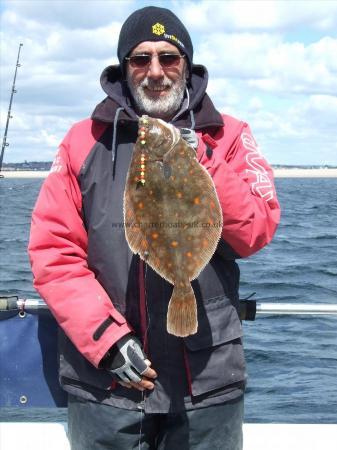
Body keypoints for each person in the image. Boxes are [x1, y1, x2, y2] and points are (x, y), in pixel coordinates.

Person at [28, 6, 281, 450]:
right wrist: (105, 340)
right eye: (140, 59)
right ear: (124, 69)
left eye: (169, 57)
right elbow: (53, 251)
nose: (155, 72)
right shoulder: (81, 141)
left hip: (207, 380)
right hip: (107, 382)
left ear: (188, 64)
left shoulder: (228, 136)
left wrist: (206, 161)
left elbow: (256, 231)